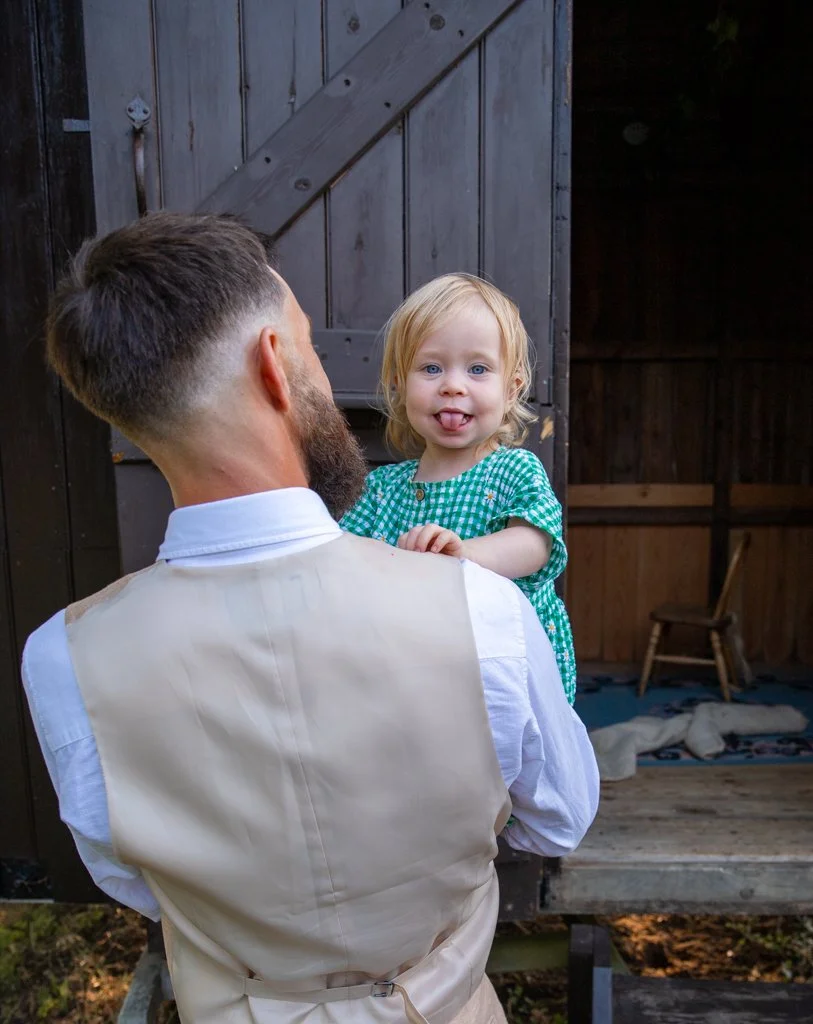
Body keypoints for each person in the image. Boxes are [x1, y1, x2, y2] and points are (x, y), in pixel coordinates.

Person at [21, 214, 599, 1024]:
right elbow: (559, 819)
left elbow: (133, 882)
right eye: (312, 347)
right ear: (274, 364)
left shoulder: (62, 660)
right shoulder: (479, 611)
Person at [341, 274, 577, 704]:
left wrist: (464, 556)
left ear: (512, 389)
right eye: (431, 368)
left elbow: (534, 544)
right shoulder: (381, 489)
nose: (452, 385)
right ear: (398, 383)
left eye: (478, 369)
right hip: (413, 673)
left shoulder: (512, 471)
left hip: (503, 677)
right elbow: (344, 555)